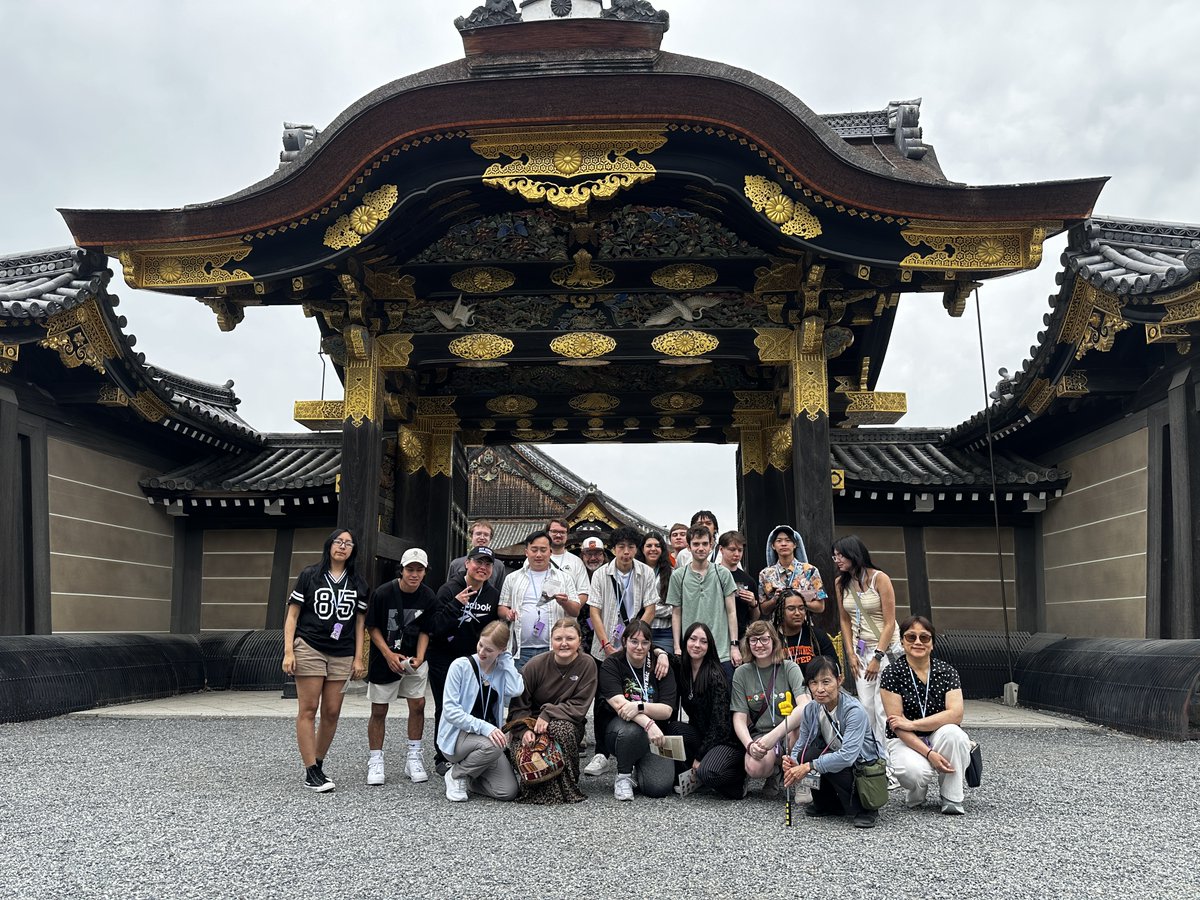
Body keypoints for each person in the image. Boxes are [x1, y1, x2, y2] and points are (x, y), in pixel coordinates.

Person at [281, 528, 368, 792]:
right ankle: (310, 770)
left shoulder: (358, 582)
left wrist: (359, 658)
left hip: (342, 651)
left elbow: (360, 623)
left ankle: (318, 763)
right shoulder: (310, 575)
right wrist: (288, 651)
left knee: (332, 711)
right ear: (329, 545)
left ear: (353, 550)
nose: (342, 547)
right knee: (308, 709)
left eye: (348, 543)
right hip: (310, 646)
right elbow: (292, 615)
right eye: (338, 542)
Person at [425, 545, 510, 775]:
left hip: (475, 660)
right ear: (467, 563)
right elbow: (435, 628)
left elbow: (491, 630)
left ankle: (472, 752)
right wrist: (455, 604)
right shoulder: (449, 589)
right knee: (446, 707)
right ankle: (442, 755)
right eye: (478, 562)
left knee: (475, 704)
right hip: (445, 657)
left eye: (487, 564)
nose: (482, 568)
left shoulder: (492, 594)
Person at [880, 615, 973, 815]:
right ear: (902, 642)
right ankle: (916, 791)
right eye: (911, 637)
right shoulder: (891, 673)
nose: (918, 642)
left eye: (924, 637)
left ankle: (952, 797)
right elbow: (897, 725)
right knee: (915, 772)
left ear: (932, 643)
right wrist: (929, 754)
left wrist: (913, 724)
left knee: (955, 735)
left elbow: (956, 715)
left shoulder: (947, 672)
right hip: (903, 739)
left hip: (938, 734)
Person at [782, 655, 885, 829]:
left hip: (860, 765)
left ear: (839, 680)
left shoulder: (854, 710)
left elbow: (847, 756)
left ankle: (865, 809)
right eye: (813, 683)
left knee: (821, 762)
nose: (819, 689)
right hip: (834, 756)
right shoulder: (811, 709)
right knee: (805, 754)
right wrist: (791, 762)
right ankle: (827, 804)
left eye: (826, 682)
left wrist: (807, 766)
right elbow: (802, 743)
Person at [505, 618, 598, 804]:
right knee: (530, 751)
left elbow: (580, 705)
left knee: (560, 729)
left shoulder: (587, 664)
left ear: (579, 640)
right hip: (529, 724)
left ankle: (567, 787)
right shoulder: (535, 665)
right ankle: (540, 788)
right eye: (558, 639)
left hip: (567, 721)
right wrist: (524, 731)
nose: (564, 643)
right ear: (551, 640)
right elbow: (518, 705)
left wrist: (548, 713)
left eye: (570, 638)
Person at [364, 547, 436, 786]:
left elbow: (426, 629)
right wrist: (387, 654)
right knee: (379, 709)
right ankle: (376, 758)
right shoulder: (383, 593)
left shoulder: (428, 596)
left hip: (414, 658)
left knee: (418, 705)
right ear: (402, 570)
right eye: (410, 569)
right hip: (384, 657)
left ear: (425, 572)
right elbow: (372, 626)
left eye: (419, 570)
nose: (414, 574)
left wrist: (421, 657)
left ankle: (414, 755)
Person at [438, 620, 524, 803]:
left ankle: (469, 778)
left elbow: (516, 690)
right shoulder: (460, 666)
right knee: (495, 745)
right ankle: (456, 774)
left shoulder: (501, 669)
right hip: (459, 737)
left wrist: (507, 660)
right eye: (480, 644)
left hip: (486, 741)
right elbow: (450, 711)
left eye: (489, 650)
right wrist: (485, 728)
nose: (482, 652)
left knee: (508, 792)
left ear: (501, 650)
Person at [597, 621, 681, 800]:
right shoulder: (612, 664)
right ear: (625, 641)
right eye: (634, 641)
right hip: (620, 730)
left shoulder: (660, 665)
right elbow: (620, 705)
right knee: (632, 730)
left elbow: (666, 710)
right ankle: (623, 776)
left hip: (653, 737)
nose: (639, 647)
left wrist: (638, 706)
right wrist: (649, 724)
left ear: (651, 644)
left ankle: (638, 764)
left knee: (658, 787)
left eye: (645, 642)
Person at [834, 534, 900, 755]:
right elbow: (844, 620)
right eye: (835, 556)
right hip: (860, 650)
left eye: (841, 555)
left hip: (885, 650)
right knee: (865, 706)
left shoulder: (880, 579)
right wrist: (850, 654)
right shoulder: (841, 583)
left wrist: (878, 656)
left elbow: (890, 622)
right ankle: (873, 757)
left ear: (853, 554)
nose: (837, 560)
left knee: (884, 708)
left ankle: (890, 759)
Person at [732, 620, 807, 796]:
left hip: (788, 732)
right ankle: (775, 772)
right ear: (748, 644)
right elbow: (739, 718)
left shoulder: (790, 667)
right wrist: (750, 745)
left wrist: (773, 737)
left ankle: (800, 777)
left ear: (774, 640)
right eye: (754, 640)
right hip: (761, 735)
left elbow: (805, 706)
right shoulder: (741, 673)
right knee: (754, 767)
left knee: (799, 730)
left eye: (764, 639)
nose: (759, 645)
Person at [675, 622, 744, 799]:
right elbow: (657, 651)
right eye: (693, 639)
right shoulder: (683, 670)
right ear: (685, 641)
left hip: (725, 741)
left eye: (703, 641)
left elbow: (721, 727)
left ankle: (739, 777)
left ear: (709, 646)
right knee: (674, 729)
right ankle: (694, 775)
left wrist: (700, 756)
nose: (697, 645)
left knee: (708, 773)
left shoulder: (715, 675)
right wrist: (660, 654)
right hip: (703, 734)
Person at [667, 525, 740, 680]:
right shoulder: (678, 576)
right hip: (691, 651)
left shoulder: (723, 573)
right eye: (696, 544)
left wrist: (734, 645)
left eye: (705, 544)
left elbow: (732, 611)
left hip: (721, 652)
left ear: (711, 545)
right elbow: (676, 613)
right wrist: (677, 647)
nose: (701, 548)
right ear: (688, 547)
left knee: (725, 693)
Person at [501, 531, 577, 670]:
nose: (538, 555)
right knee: (521, 684)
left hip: (554, 649)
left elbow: (576, 610)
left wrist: (565, 602)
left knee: (553, 684)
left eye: (543, 550)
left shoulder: (564, 578)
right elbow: (501, 607)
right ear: (526, 552)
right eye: (534, 550)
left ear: (550, 552)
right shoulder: (513, 578)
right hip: (521, 650)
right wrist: (507, 613)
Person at [759, 524, 826, 626]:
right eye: (779, 541)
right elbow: (764, 610)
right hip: (777, 628)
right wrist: (775, 599)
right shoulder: (765, 574)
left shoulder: (810, 570)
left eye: (788, 540)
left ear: (795, 545)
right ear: (773, 546)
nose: (783, 544)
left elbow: (820, 607)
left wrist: (800, 601)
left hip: (804, 627)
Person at [774, 587, 836, 668]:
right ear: (780, 611)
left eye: (801, 608)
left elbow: (835, 667)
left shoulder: (817, 636)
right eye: (791, 609)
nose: (797, 613)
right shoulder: (771, 638)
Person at [717, 530, 759, 642]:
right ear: (721, 549)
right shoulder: (712, 575)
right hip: (715, 634)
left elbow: (755, 618)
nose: (736, 554)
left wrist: (753, 604)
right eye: (732, 549)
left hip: (741, 636)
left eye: (740, 550)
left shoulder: (748, 580)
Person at [640, 531, 675, 652]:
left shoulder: (672, 573)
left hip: (664, 632)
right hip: (639, 630)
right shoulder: (634, 572)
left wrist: (649, 609)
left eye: (657, 546)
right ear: (642, 549)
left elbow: (675, 607)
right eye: (649, 546)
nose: (653, 549)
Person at [447, 519, 506, 590]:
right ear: (471, 536)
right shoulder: (456, 564)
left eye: (486, 535)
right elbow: (448, 589)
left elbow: (500, 592)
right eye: (478, 534)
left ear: (490, 539)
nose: (482, 538)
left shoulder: (499, 566)